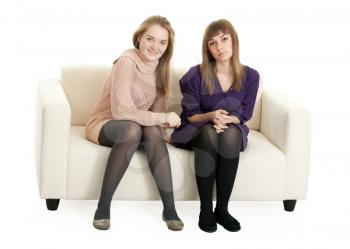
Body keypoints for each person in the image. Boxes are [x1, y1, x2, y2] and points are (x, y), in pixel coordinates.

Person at [85, 15, 184, 231]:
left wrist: (167, 130)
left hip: (137, 127)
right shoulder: (126, 61)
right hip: (105, 123)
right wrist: (162, 118)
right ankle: (103, 206)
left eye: (162, 42)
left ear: (167, 47)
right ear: (139, 38)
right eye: (150, 39)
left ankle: (169, 209)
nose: (155, 46)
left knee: (150, 130)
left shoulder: (162, 69)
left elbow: (154, 117)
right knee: (132, 128)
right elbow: (122, 111)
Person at [170, 19, 260, 232]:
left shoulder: (251, 76)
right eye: (212, 43)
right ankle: (205, 209)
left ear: (234, 41)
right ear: (207, 48)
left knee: (229, 135)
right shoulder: (195, 74)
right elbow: (190, 116)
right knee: (210, 133)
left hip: (231, 128)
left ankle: (222, 209)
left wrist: (229, 119)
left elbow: (245, 114)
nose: (219, 47)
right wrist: (211, 115)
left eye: (224, 39)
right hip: (198, 128)